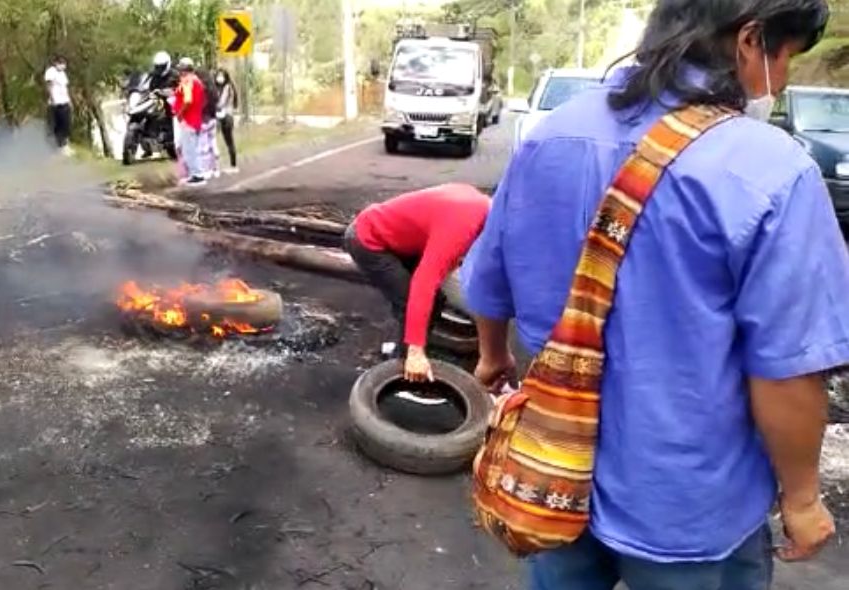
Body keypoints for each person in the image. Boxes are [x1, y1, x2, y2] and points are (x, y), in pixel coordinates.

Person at [461, 1, 844, 588]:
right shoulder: (773, 169)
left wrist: (494, 356)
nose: (784, 76)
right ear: (750, 40)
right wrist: (801, 498)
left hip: (554, 474)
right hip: (687, 507)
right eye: (787, 55)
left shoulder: (551, 135)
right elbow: (788, 370)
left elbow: (489, 280)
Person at [345, 183, 491, 382]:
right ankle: (403, 367)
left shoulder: (482, 204)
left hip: (403, 240)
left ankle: (401, 351)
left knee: (435, 301)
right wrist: (416, 350)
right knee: (409, 302)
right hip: (369, 239)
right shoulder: (462, 226)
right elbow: (424, 284)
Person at [173, 57, 207, 186]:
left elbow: (187, 100)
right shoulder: (196, 80)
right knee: (189, 147)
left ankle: (197, 175)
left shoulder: (187, 81)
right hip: (195, 118)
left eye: (181, 69)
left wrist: (180, 113)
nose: (179, 72)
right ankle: (195, 173)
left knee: (189, 149)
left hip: (189, 119)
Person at [44, 55, 72, 155]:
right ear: (56, 63)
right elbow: (49, 86)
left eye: (64, 64)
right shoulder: (51, 72)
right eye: (61, 63)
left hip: (64, 101)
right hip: (56, 103)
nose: (63, 66)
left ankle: (65, 143)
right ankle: (59, 145)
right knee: (59, 124)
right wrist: (52, 98)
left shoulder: (63, 74)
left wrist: (69, 100)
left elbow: (65, 88)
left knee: (67, 123)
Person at [214, 68, 240, 174]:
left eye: (222, 76)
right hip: (220, 115)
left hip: (226, 116)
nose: (219, 78)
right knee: (214, 140)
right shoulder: (217, 88)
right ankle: (216, 165)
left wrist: (214, 106)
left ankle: (233, 165)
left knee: (228, 140)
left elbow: (222, 102)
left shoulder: (228, 87)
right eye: (218, 75)